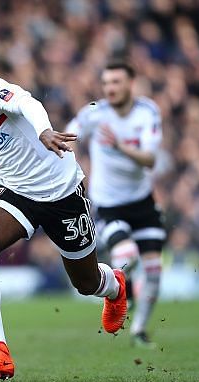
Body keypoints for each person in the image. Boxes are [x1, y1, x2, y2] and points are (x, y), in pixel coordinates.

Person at [0, 54, 128, 380]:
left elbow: (26, 103)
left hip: (62, 192)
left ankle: (114, 286)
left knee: (85, 283)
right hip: (17, 193)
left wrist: (45, 131)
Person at [67, 61, 165, 349]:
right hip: (108, 204)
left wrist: (120, 146)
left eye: (116, 82)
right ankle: (125, 292)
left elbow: (150, 159)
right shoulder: (94, 113)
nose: (110, 88)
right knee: (127, 254)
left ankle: (139, 330)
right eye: (106, 82)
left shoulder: (147, 112)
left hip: (143, 203)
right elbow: (67, 137)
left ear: (130, 84)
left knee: (155, 271)